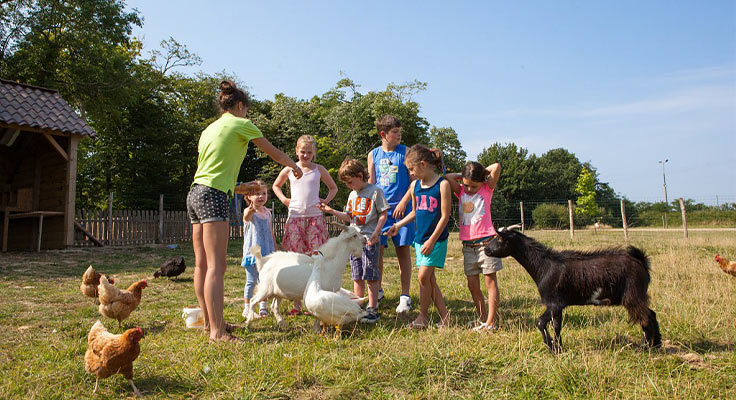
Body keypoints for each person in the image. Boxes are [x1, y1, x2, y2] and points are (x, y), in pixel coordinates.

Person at [187, 80, 302, 343]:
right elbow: (273, 153)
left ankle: (210, 323)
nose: (246, 115)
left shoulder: (209, 130)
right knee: (217, 265)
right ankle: (217, 332)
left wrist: (240, 188)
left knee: (202, 264)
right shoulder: (241, 124)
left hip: (195, 193)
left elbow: (211, 173)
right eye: (246, 110)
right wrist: (293, 166)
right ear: (240, 106)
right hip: (212, 196)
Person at [386, 145, 451, 329]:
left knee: (423, 277)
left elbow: (445, 216)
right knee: (429, 280)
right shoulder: (415, 186)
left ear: (423, 164)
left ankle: (422, 317)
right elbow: (415, 212)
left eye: (412, 169)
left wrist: (431, 241)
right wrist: (398, 225)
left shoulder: (442, 185)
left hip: (435, 240)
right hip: (419, 240)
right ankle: (445, 317)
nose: (411, 173)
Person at [272, 134, 338, 315]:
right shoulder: (289, 169)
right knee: (296, 259)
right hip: (295, 218)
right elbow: (275, 186)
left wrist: (325, 201)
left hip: (315, 219)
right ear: (296, 151)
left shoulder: (319, 169)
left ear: (313, 153)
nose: (305, 156)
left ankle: (313, 300)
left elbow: (333, 187)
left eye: (309, 152)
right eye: (302, 152)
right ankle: (296, 304)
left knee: (316, 259)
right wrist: (285, 200)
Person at [320, 159, 389, 323]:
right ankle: (358, 306)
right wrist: (331, 211)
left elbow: (383, 214)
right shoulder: (352, 195)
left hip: (369, 240)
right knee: (357, 275)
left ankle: (372, 308)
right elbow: (349, 217)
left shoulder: (375, 192)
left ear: (360, 175)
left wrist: (376, 233)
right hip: (353, 240)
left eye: (351, 182)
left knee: (371, 275)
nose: (349, 186)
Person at [367, 115, 415, 316]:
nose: (399, 136)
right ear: (383, 134)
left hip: (402, 210)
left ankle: (405, 296)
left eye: (400, 132)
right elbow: (371, 183)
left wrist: (404, 202)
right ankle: (376, 291)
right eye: (395, 133)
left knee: (402, 251)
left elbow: (414, 181)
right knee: (377, 251)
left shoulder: (406, 152)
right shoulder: (373, 154)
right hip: (381, 212)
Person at [445, 161, 502, 332]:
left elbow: (496, 167)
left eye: (474, 186)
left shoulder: (486, 189)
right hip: (468, 245)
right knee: (472, 285)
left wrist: (482, 173)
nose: (469, 189)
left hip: (487, 243)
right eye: (467, 185)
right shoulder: (461, 190)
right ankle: (482, 317)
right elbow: (447, 178)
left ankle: (491, 322)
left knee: (490, 282)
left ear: (482, 183)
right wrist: (463, 177)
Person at [240, 180, 276, 320]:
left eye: (264, 193)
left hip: (267, 253)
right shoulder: (249, 211)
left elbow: (270, 231)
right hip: (252, 253)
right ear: (249, 196)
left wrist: (274, 247)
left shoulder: (268, 213)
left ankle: (262, 306)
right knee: (251, 281)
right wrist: (250, 210)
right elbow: (246, 218)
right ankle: (247, 307)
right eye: (257, 194)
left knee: (264, 281)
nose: (261, 196)